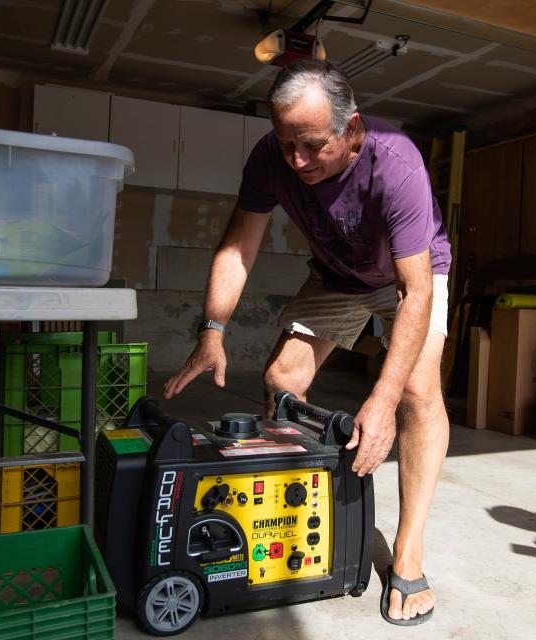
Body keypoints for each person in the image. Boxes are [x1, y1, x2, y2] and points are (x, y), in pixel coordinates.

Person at [163, 58, 451, 626]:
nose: (296, 160)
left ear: (352, 129)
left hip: (409, 275)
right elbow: (237, 246)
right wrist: (212, 329)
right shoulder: (273, 156)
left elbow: (415, 293)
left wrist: (383, 399)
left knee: (416, 392)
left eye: (312, 145)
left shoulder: (397, 163)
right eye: (285, 141)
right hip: (337, 275)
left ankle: (410, 548)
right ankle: (288, 516)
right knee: (281, 380)